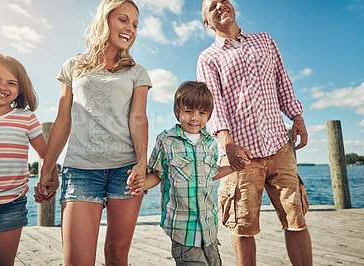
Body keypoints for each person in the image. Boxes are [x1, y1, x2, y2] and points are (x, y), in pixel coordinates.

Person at [35, 0, 152, 265]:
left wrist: (142, 164)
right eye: (123, 20)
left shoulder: (137, 72)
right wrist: (47, 168)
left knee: (116, 254)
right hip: (80, 171)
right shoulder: (73, 65)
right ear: (105, 19)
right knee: (77, 260)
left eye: (135, 24)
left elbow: (138, 118)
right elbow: (62, 120)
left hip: (126, 171)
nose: (130, 29)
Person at [196, 0, 312, 265]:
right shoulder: (209, 57)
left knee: (296, 220)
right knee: (242, 226)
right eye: (211, 5)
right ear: (206, 23)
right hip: (241, 155)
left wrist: (296, 117)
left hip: (280, 147)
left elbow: (282, 81)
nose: (220, 5)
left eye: (223, 0)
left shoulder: (264, 41)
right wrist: (227, 145)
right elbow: (214, 105)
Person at [128, 81, 247, 266]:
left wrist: (234, 167)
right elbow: (157, 175)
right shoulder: (166, 140)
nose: (195, 118)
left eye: (202, 113)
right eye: (189, 111)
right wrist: (141, 183)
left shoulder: (210, 143)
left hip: (209, 229)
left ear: (209, 115)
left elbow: (211, 173)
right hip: (183, 231)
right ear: (178, 111)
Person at [0, 53, 58, 266]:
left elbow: (46, 154)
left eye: (11, 83)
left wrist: (51, 181)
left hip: (10, 204)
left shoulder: (25, 118)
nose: (3, 86)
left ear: (20, 89)